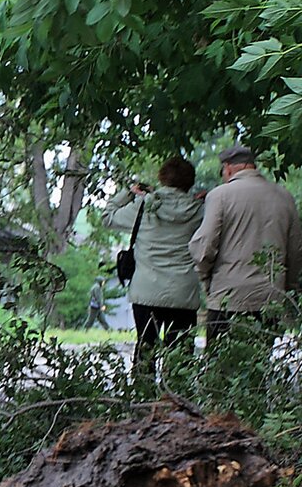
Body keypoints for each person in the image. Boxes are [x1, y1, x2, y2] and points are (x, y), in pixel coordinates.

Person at [189, 143, 302, 348]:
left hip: (228, 298)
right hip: (270, 300)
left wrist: (207, 281)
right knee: (258, 370)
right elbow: (295, 251)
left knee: (221, 370)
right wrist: (288, 289)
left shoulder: (220, 195)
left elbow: (204, 247)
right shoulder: (284, 197)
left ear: (229, 168)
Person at [102, 156, 204, 369]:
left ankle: (143, 398)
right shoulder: (199, 210)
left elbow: (107, 218)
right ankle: (176, 399)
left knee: (145, 350)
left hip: (146, 291)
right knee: (181, 355)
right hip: (183, 292)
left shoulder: (144, 206)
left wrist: (129, 192)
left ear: (162, 178)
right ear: (190, 181)